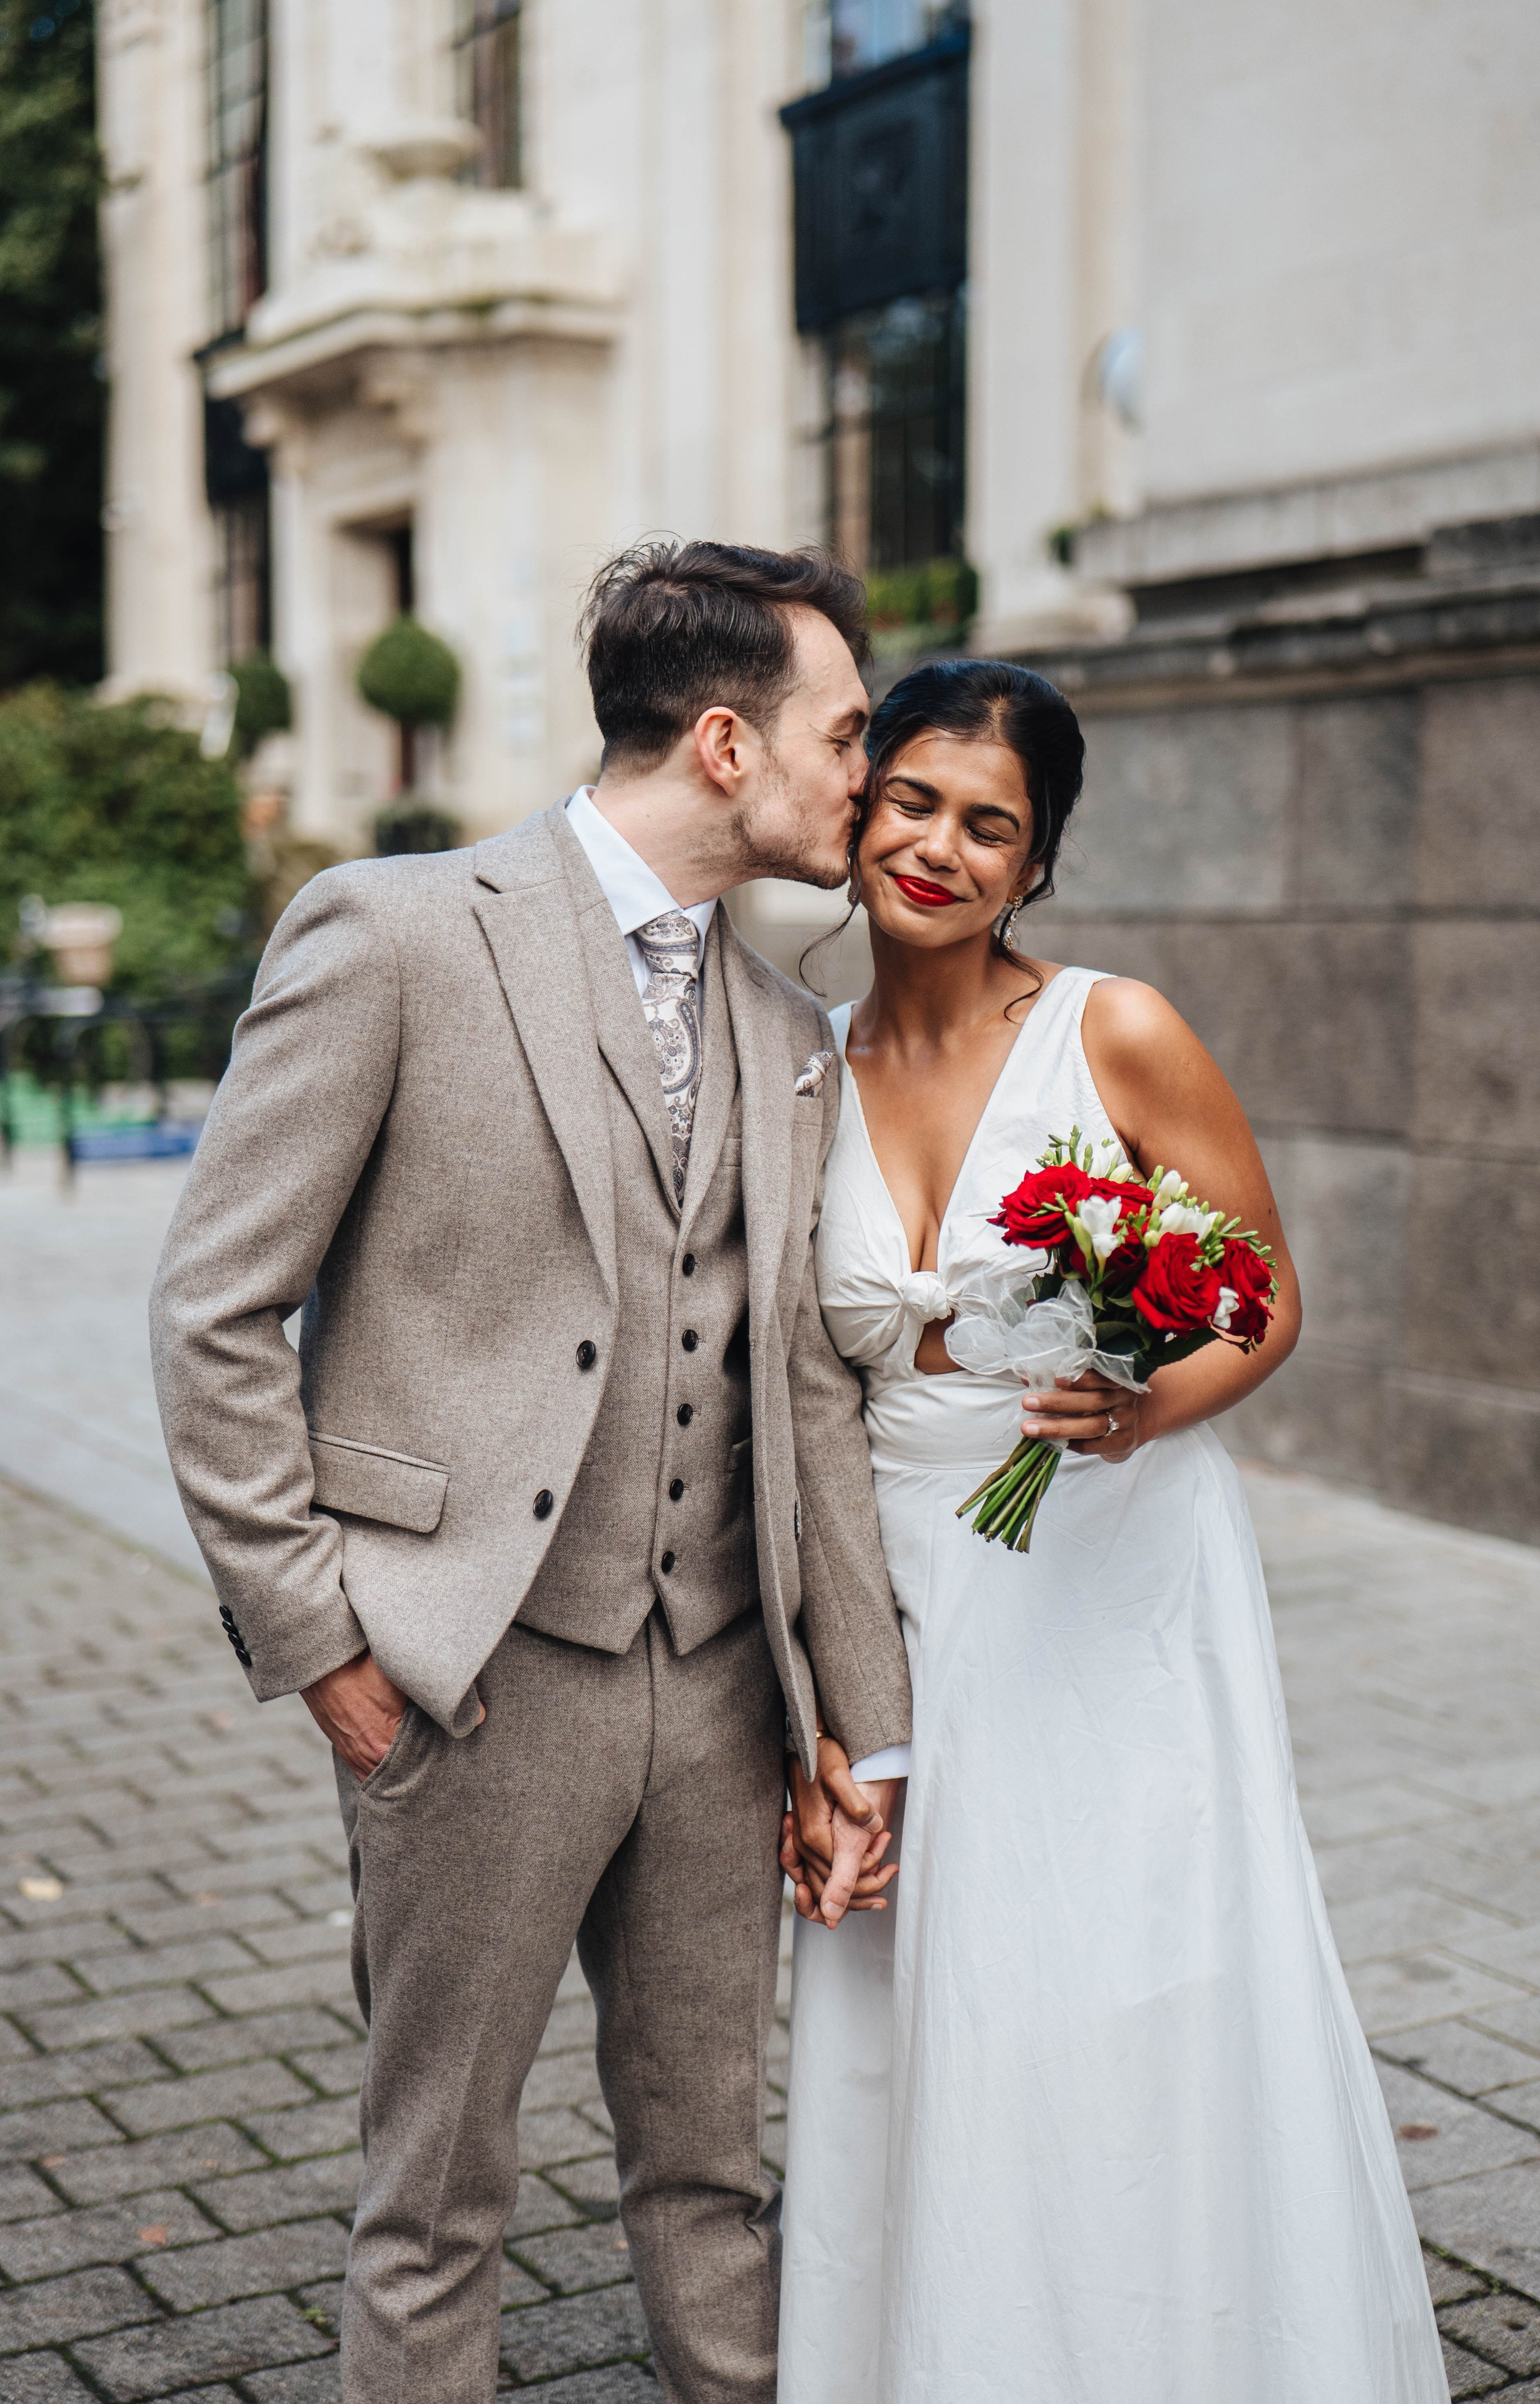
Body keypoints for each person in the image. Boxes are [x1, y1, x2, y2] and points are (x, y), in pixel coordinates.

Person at [148, 540, 913, 2404]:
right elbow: (211, 1311)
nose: (867, 778)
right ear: (725, 744)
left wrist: (860, 1728)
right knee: (437, 2201)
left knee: (718, 2177)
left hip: (725, 1690)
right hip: (467, 1679)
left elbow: (802, 1393)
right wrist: (324, 1640)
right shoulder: (399, 931)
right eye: (844, 735)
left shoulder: (794, 1028)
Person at [776, 659, 1449, 2404]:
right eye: (912, 800)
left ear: (1037, 862)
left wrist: (1143, 1402)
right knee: (924, 1979)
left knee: (1126, 1953)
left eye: (989, 824)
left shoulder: (1114, 1028)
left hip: (1113, 1562)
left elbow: (1262, 1296)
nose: (938, 847)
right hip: (905, 1570)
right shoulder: (791, 1060)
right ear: (858, 806)